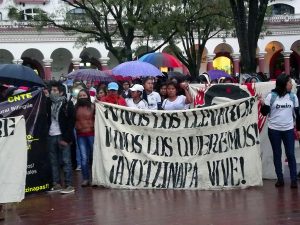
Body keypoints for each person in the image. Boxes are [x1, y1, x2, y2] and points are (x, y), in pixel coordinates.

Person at [260, 74, 300, 188]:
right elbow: (264, 113)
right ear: (283, 84)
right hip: (274, 131)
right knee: (277, 155)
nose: (291, 84)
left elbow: (298, 115)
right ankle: (280, 179)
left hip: (288, 130)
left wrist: (298, 129)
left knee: (291, 154)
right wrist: (263, 104)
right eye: (289, 82)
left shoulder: (293, 97)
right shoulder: (271, 96)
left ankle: (293, 180)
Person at [47, 81, 75, 194]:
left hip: (62, 136)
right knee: (53, 161)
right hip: (51, 135)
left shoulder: (67, 104)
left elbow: (71, 122)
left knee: (66, 161)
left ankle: (69, 185)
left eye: (55, 90)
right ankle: (56, 183)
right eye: (51, 90)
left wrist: (67, 139)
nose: (52, 92)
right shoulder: (47, 103)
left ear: (61, 92)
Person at [75, 89, 95, 187]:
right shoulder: (75, 107)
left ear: (88, 96)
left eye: (84, 95)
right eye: (80, 95)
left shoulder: (93, 106)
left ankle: (94, 178)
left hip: (92, 134)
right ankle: (86, 179)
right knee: (84, 158)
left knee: (94, 157)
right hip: (80, 135)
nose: (82, 97)